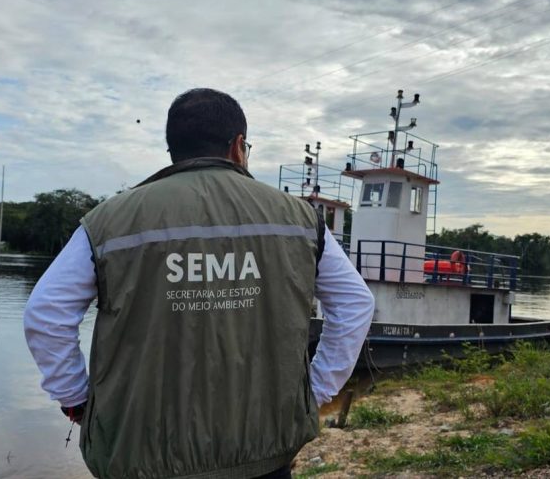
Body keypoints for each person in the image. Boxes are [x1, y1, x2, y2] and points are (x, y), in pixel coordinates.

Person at [24, 88, 374, 478]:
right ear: (238, 146)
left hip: (143, 454)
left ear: (174, 150)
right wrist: (315, 392)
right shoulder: (300, 219)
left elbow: (46, 314)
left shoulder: (109, 220)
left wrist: (77, 399)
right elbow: (355, 304)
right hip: (264, 450)